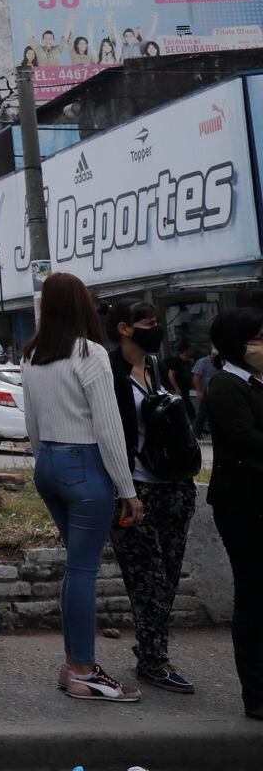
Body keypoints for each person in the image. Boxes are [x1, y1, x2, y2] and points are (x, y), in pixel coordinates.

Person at [22, 272, 143, 702]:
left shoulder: (32, 353)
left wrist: (45, 460)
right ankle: (83, 670)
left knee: (77, 568)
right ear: (82, 305)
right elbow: (109, 426)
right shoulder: (89, 352)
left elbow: (32, 424)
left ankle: (74, 665)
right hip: (84, 463)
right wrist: (127, 489)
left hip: (49, 463)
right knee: (82, 571)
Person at [103, 299, 198, 694]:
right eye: (148, 322)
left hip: (174, 486)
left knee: (169, 577)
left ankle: (153, 651)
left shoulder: (158, 366)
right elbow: (109, 433)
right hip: (134, 491)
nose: (155, 328)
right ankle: (153, 660)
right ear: (124, 328)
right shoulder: (110, 372)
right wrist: (123, 487)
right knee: (148, 580)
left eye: (157, 321)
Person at [203, 307, 263, 720]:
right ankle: (256, 695)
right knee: (255, 598)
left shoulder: (255, 383)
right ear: (241, 345)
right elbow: (246, 441)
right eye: (259, 337)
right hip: (244, 506)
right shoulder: (226, 386)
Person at [163, 342, 199, 428]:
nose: (192, 352)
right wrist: (176, 388)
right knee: (183, 407)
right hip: (178, 390)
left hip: (185, 389)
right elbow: (171, 375)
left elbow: (189, 375)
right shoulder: (176, 361)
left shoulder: (187, 362)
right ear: (185, 351)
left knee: (188, 407)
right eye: (190, 350)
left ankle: (195, 425)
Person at [193, 345, 219, 439]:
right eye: (213, 356)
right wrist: (198, 391)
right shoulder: (203, 362)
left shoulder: (220, 363)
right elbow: (196, 376)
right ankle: (196, 432)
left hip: (217, 391)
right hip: (206, 391)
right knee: (203, 412)